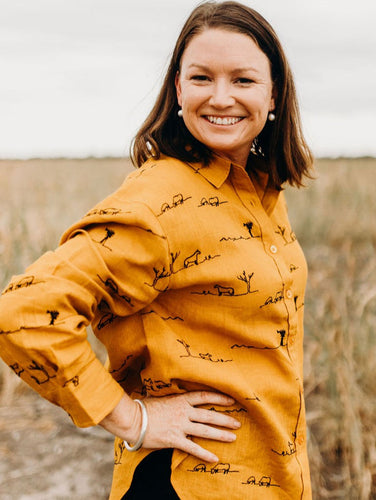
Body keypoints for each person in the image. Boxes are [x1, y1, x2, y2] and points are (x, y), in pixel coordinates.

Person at [0, 1, 314, 498]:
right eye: (202, 78)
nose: (221, 97)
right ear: (179, 90)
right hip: (186, 483)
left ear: (274, 94)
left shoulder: (257, 192)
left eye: (243, 80)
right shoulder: (161, 199)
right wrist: (133, 419)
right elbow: (24, 313)